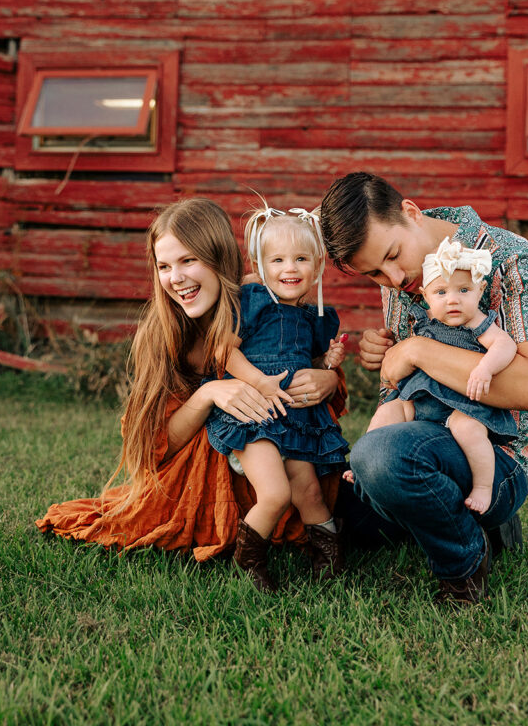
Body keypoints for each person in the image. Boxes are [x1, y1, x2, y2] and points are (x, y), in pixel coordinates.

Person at [36, 198, 346, 576]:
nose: (176, 278)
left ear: (218, 259)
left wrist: (328, 377)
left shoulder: (269, 304)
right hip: (208, 470)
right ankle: (250, 552)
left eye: (188, 261)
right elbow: (153, 445)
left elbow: (301, 360)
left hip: (285, 439)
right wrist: (209, 393)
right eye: (164, 266)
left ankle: (321, 546)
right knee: (275, 488)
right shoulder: (165, 333)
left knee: (326, 496)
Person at [320, 172, 528, 604]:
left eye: (393, 256)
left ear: (410, 212)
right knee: (325, 485)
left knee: (379, 457)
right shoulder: (402, 280)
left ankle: (464, 561)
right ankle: (449, 514)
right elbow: (403, 388)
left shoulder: (512, 257)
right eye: (374, 273)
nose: (393, 278)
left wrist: (417, 350)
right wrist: (389, 364)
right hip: (422, 432)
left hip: (492, 454)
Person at [204, 202, 350, 590]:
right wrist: (260, 382)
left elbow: (310, 360)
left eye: (301, 259)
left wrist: (327, 363)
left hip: (297, 419)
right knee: (276, 492)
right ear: (261, 265)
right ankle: (248, 559)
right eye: (279, 260)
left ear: (317, 266)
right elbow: (224, 351)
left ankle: (328, 558)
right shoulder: (253, 301)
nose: (290, 268)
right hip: (253, 414)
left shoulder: (315, 316)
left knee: (310, 492)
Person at [344, 236, 519, 516]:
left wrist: (486, 367)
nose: (453, 300)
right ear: (425, 296)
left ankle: (484, 487)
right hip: (421, 401)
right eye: (441, 293)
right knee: (389, 411)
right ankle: (360, 464)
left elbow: (505, 345)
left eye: (464, 290)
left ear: (480, 290)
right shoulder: (424, 320)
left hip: (461, 406)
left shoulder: (477, 323)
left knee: (469, 430)